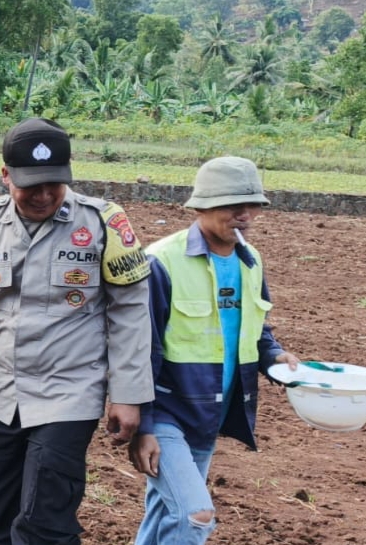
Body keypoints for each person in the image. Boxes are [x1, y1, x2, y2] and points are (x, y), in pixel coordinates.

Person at [0, 117, 155, 545]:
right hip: (5, 394)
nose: (44, 195)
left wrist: (127, 394)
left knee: (43, 523)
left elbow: (131, 312)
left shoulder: (104, 223)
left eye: (54, 183)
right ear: (5, 175)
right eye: (32, 185)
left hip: (70, 393)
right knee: (0, 518)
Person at [128, 156, 301, 544]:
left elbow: (255, 328)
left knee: (165, 512)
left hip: (209, 414)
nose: (245, 215)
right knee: (195, 516)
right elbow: (139, 349)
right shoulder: (162, 261)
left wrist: (274, 356)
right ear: (200, 207)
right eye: (232, 205)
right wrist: (144, 426)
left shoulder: (250, 261)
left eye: (252, 205)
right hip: (167, 411)